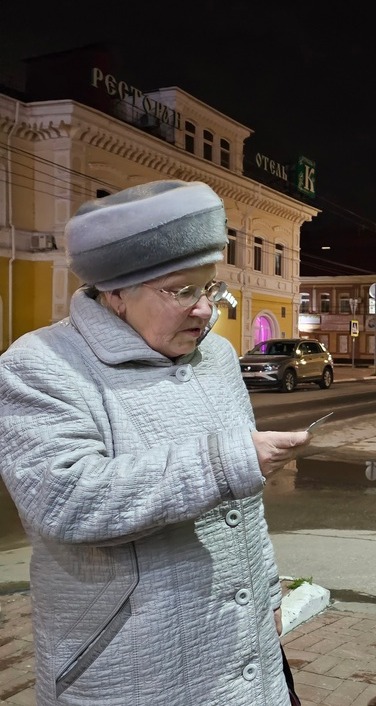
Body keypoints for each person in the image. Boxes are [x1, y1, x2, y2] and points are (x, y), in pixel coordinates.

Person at [0, 180, 311, 706]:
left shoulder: (213, 359)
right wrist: (224, 463)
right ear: (116, 293)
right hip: (130, 662)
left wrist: (265, 592)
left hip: (241, 646)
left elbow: (244, 513)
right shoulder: (40, 365)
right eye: (181, 290)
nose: (205, 311)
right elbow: (67, 501)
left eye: (209, 289)